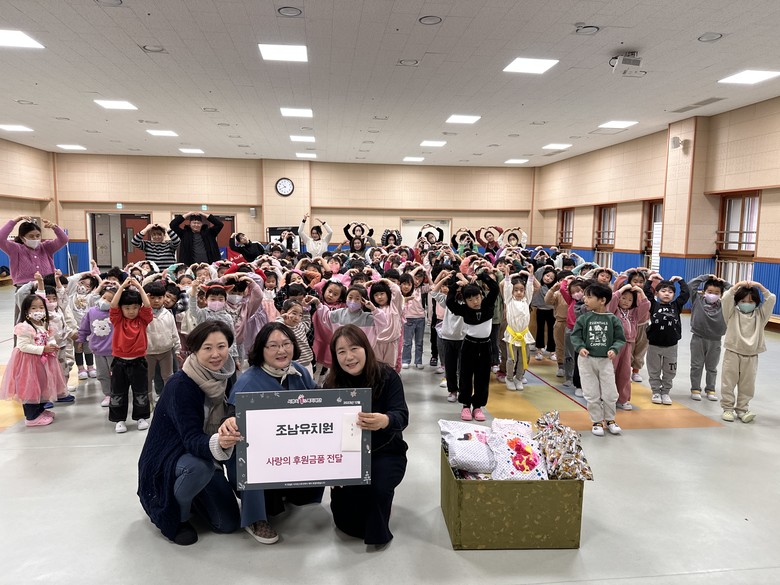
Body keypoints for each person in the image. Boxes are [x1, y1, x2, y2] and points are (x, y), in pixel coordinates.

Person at [137, 321, 241, 546]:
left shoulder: (228, 374)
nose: (216, 354)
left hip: (205, 454)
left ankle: (195, 494)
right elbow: (191, 439)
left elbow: (233, 407)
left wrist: (230, 422)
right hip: (172, 456)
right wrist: (220, 442)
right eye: (207, 348)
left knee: (228, 523)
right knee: (198, 468)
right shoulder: (181, 385)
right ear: (194, 350)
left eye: (221, 346)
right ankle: (180, 515)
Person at [221, 322, 322, 544]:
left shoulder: (300, 371)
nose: (281, 350)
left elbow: (321, 402)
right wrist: (231, 422)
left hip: (292, 447)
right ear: (261, 349)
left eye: (286, 344)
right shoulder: (248, 382)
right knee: (250, 455)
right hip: (259, 456)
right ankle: (254, 519)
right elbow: (230, 421)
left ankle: (291, 491)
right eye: (273, 345)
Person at [325, 325, 409, 547]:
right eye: (341, 351)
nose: (349, 357)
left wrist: (385, 420)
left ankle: (379, 529)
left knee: (377, 491)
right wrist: (331, 470)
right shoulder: (331, 384)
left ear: (366, 348)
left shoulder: (388, 376)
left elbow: (402, 416)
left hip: (386, 451)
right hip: (348, 455)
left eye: (354, 348)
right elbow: (326, 430)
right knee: (346, 520)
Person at [0, 294, 65, 426]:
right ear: (26, 311)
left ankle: (39, 410)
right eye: (34, 308)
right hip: (28, 362)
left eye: (41, 307)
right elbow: (23, 346)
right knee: (30, 388)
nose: (38, 311)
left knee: (41, 385)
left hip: (42, 361)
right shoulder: (25, 327)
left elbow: (49, 337)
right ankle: (31, 417)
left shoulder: (43, 324)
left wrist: (52, 345)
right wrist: (43, 349)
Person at [445, 261, 499, 422]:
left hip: (485, 345)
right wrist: (455, 286)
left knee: (483, 377)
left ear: (481, 296)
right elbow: (450, 302)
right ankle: (466, 405)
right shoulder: (464, 310)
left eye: (477, 297)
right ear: (465, 301)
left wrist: (482, 276)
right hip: (469, 345)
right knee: (466, 376)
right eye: (470, 299)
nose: (475, 301)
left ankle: (478, 406)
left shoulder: (488, 305)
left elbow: (495, 289)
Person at [571, 283, 626, 437]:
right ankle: (596, 421)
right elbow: (575, 336)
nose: (585, 300)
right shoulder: (584, 318)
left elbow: (620, 339)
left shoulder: (613, 319)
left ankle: (610, 419)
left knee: (610, 392)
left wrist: (614, 349)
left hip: (605, 361)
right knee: (591, 392)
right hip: (586, 361)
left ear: (602, 300)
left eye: (589, 297)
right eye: (585, 296)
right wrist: (580, 347)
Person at [719, 280, 776, 423]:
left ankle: (742, 409)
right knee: (728, 382)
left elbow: (771, 299)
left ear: (756, 302)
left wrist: (759, 286)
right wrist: (737, 285)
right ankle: (727, 408)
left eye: (750, 301)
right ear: (737, 302)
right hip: (732, 352)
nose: (746, 304)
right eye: (743, 301)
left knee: (748, 384)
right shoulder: (731, 313)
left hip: (751, 355)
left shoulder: (760, 316)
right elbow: (726, 298)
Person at [109, 277, 153, 433]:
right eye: (127, 308)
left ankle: (141, 417)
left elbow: (147, 305)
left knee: (140, 391)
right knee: (118, 392)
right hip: (119, 363)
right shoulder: (117, 320)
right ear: (121, 309)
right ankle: (119, 419)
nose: (131, 311)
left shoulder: (143, 320)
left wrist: (139, 287)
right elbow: (113, 305)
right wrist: (121, 287)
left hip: (138, 362)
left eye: (135, 307)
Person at [643, 274, 689, 405]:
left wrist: (681, 281)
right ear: (657, 293)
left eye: (670, 292)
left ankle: (665, 392)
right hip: (654, 345)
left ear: (674, 295)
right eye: (663, 291)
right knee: (654, 370)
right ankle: (656, 391)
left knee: (670, 370)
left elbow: (685, 294)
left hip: (671, 346)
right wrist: (650, 279)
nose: (667, 294)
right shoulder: (653, 305)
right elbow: (646, 293)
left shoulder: (676, 306)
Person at [687, 274, 731, 401]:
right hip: (698, 338)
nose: (713, 295)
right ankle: (695, 389)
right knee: (696, 365)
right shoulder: (697, 300)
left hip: (715, 340)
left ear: (721, 295)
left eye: (717, 293)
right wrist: (705, 277)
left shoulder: (724, 305)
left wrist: (725, 283)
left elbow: (735, 292)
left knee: (712, 367)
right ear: (704, 292)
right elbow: (690, 285)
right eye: (710, 292)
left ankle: (710, 389)